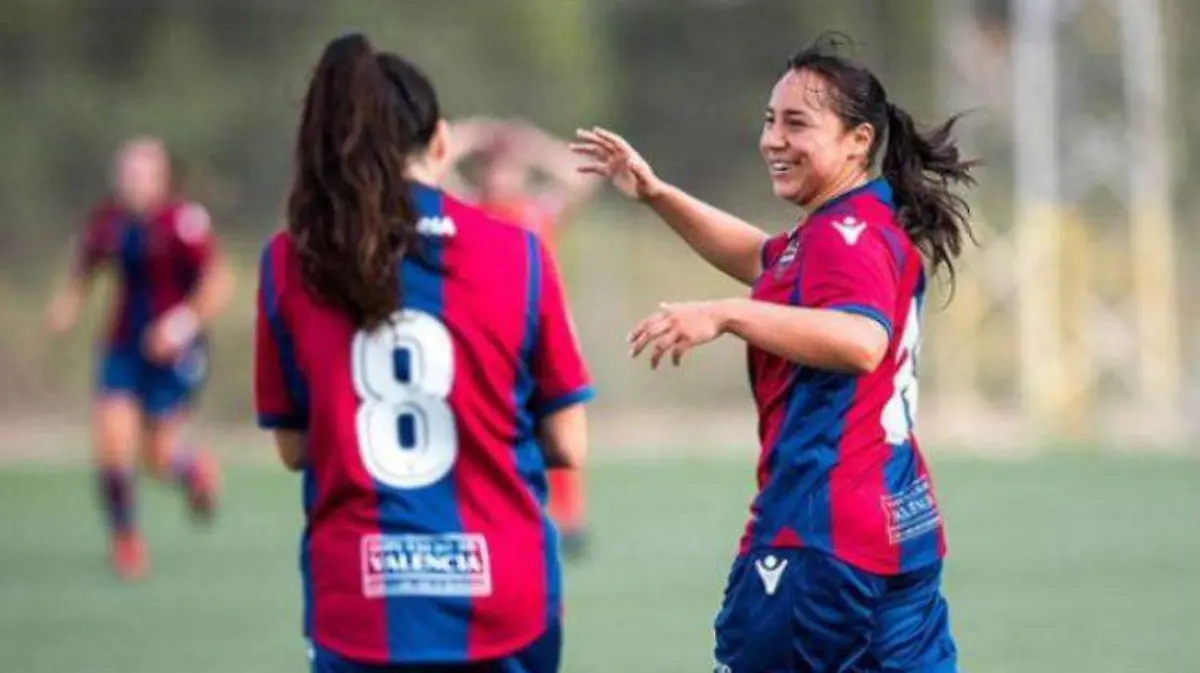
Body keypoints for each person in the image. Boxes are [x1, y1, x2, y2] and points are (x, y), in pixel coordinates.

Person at [571, 34, 976, 673]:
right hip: (897, 530)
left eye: (797, 123)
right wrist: (655, 193)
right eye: (769, 121)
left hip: (820, 539)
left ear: (858, 140)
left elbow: (860, 341)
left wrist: (726, 314)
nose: (773, 140)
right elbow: (761, 256)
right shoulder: (849, 227)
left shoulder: (845, 238)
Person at [254, 34, 592, 673]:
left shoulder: (288, 260)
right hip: (503, 596)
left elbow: (296, 447)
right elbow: (568, 443)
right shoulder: (518, 252)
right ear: (438, 143)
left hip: (359, 599)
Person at [43, 136, 232, 580]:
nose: (131, 182)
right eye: (126, 172)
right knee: (112, 442)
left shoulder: (183, 222)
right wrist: (68, 303)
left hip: (176, 354)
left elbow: (218, 281)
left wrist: (179, 324)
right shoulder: (108, 221)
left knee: (158, 456)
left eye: (142, 173)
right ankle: (126, 541)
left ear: (163, 179)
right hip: (123, 346)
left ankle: (191, 468)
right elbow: (84, 265)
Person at [446, 117, 598, 557]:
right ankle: (495, 511)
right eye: (495, 167)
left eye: (509, 167)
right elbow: (430, 175)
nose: (503, 174)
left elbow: (581, 180)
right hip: (489, 339)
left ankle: (568, 518)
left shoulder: (536, 212)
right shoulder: (470, 211)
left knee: (558, 424)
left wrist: (533, 145)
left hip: (540, 337)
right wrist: (468, 137)